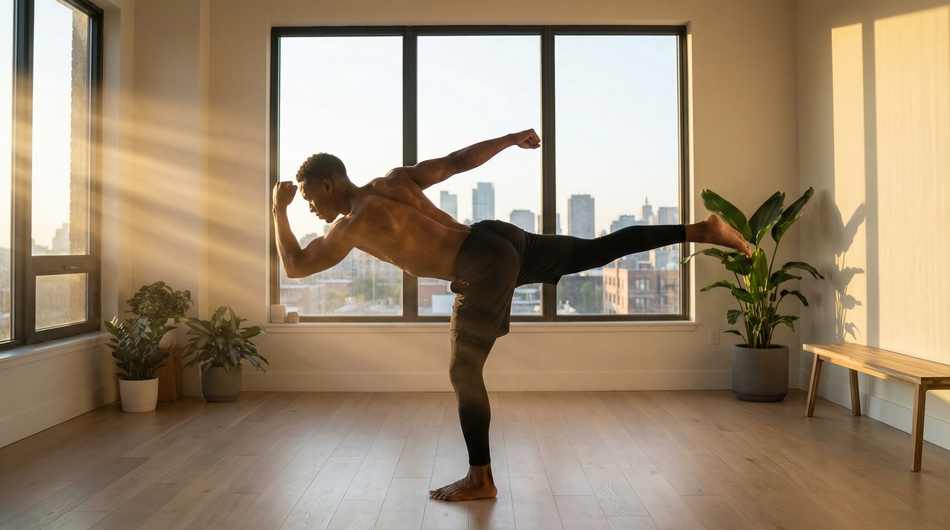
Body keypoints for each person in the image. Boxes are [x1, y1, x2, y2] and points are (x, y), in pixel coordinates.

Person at [272, 129, 752, 502]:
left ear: (330, 184)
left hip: (480, 265)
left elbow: (295, 266)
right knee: (593, 251)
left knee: (464, 371)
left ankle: (480, 478)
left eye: (311, 198)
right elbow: (458, 162)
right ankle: (699, 230)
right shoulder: (393, 182)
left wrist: (278, 213)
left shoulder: (351, 227)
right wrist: (509, 138)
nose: (311, 208)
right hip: (497, 237)